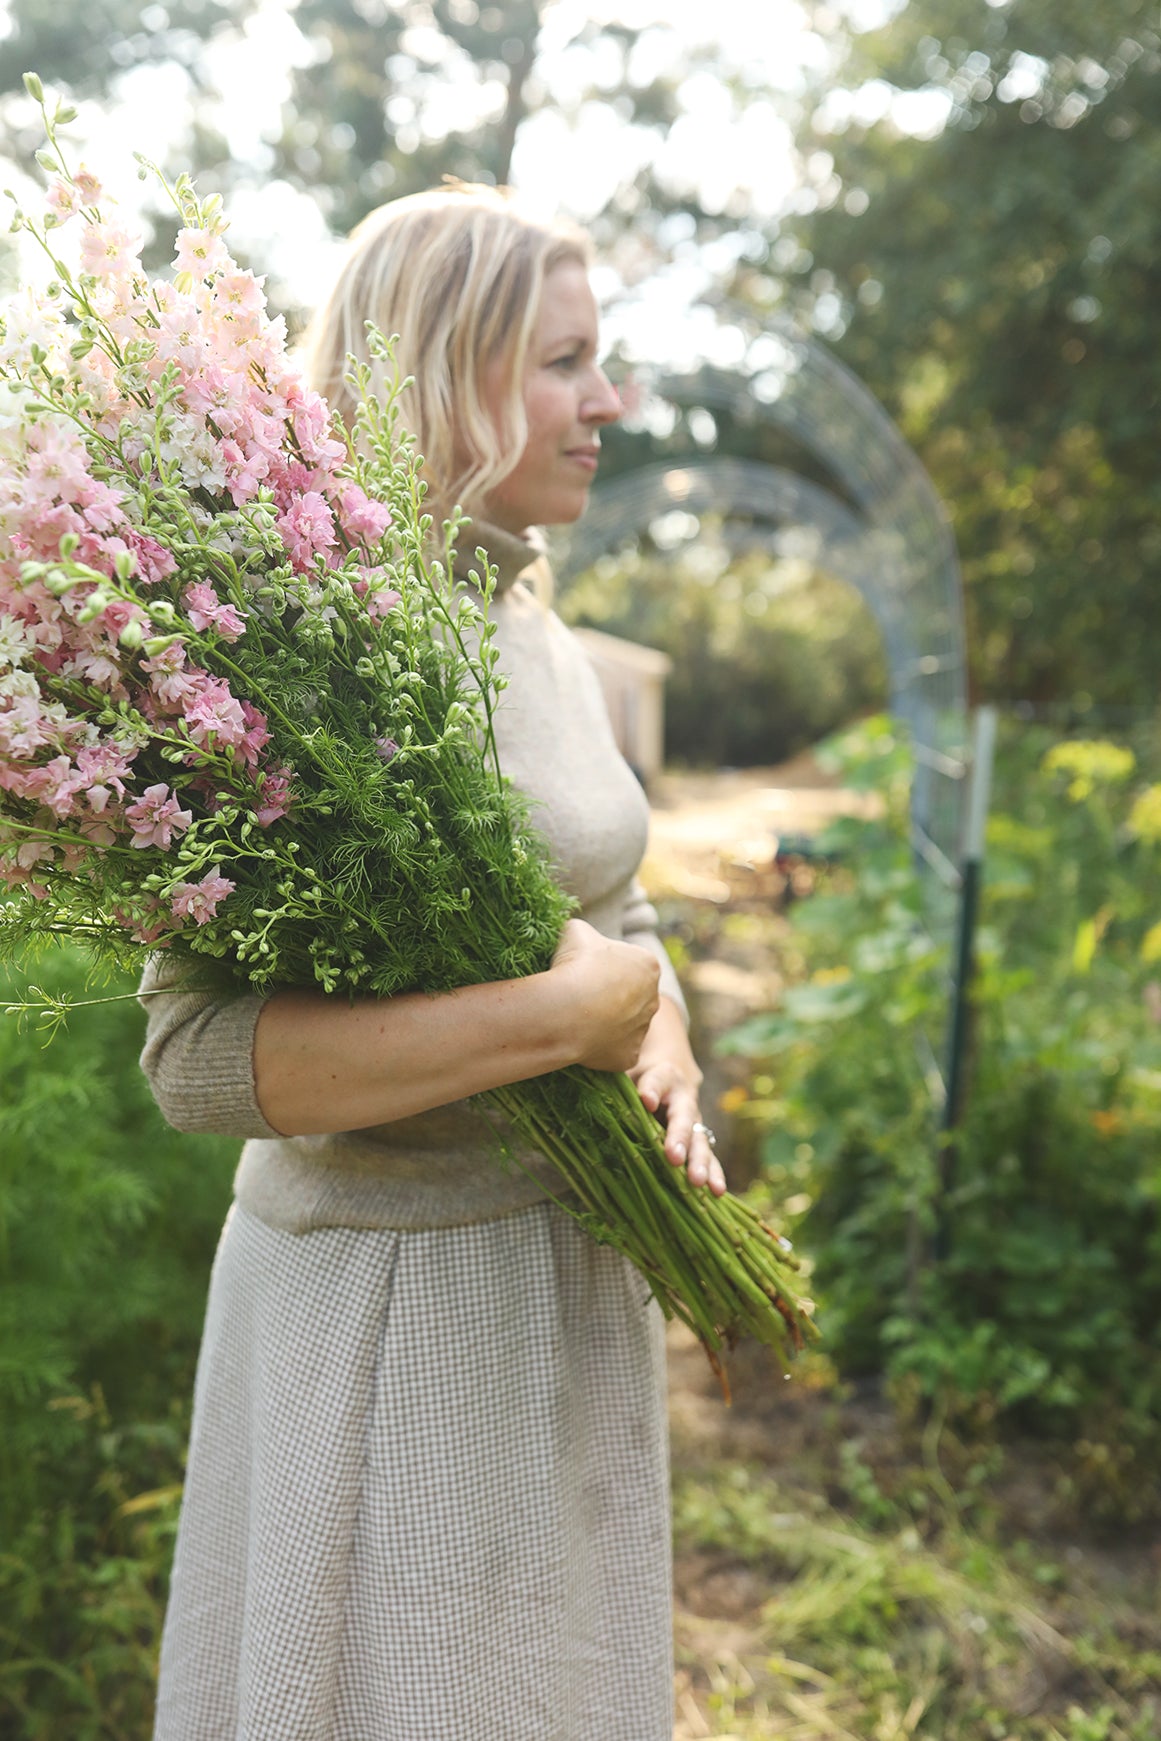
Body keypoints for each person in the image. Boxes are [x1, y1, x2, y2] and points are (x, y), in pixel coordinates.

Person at [139, 182, 724, 1741]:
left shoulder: (529, 611)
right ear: (435, 371)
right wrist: (560, 1014)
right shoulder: (294, 647)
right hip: (395, 1313)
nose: (609, 402)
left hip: (566, 1281)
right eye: (562, 362)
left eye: (600, 360)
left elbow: (617, 911)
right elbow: (197, 1064)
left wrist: (657, 1041)